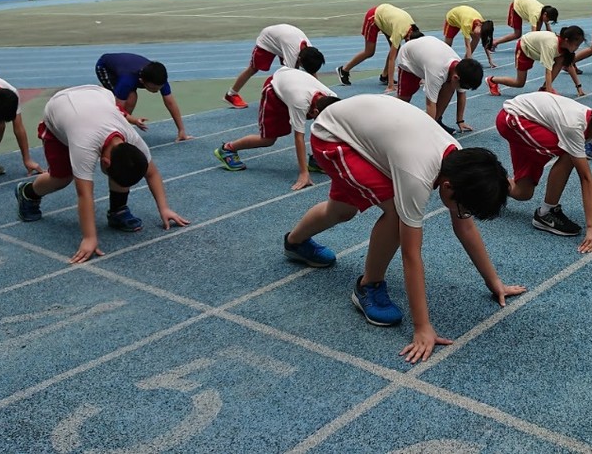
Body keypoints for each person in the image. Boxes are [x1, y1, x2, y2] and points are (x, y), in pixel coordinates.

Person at [283, 94, 525, 363]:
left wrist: (494, 283)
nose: (463, 214)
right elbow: (411, 254)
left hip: (355, 131)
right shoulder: (418, 175)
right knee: (396, 213)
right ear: (447, 187)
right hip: (332, 137)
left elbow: (465, 228)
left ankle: (295, 243)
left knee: (342, 210)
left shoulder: (458, 161)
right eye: (463, 207)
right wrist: (422, 327)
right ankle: (368, 286)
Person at [14, 85, 188, 263]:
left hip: (98, 98)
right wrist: (89, 238)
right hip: (60, 108)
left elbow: (152, 173)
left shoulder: (132, 140)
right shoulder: (84, 145)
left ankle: (117, 211)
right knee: (62, 177)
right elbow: (84, 194)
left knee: (126, 167)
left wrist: (164, 208)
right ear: (105, 162)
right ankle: (27, 193)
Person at [497, 94, 592, 253]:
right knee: (569, 152)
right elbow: (586, 178)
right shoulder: (575, 127)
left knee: (522, 192)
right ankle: (546, 213)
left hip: (526, 120)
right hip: (512, 119)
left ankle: (489, 178)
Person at [214, 67, 339, 190]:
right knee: (268, 140)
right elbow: (299, 137)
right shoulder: (300, 102)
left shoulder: (332, 98)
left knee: (324, 128)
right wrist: (303, 173)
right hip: (275, 90)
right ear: (315, 111)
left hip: (294, 83)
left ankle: (315, 159)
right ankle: (227, 149)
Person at [394, 36, 484, 133]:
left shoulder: (461, 68)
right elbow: (430, 104)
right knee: (404, 98)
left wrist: (460, 121)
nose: (462, 89)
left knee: (450, 86)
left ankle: (436, 122)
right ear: (456, 77)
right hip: (409, 59)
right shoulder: (436, 72)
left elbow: (461, 94)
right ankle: (392, 122)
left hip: (428, 53)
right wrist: (431, 134)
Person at [224, 23, 324, 109]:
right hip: (268, 39)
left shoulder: (311, 52)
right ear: (299, 59)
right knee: (253, 69)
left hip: (283, 39)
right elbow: (291, 77)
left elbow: (312, 71)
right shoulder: (293, 53)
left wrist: (319, 94)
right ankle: (231, 95)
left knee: (299, 72)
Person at [95, 53, 191, 141]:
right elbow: (118, 108)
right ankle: (112, 131)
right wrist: (133, 120)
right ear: (142, 81)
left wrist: (181, 130)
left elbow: (170, 102)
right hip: (105, 67)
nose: (156, 91)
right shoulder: (127, 80)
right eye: (153, 89)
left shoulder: (159, 79)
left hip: (125, 68)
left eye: (159, 88)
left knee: (129, 96)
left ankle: (122, 127)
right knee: (131, 97)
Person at [336, 3, 421, 91]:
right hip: (374, 17)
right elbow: (392, 58)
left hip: (387, 20)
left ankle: (385, 75)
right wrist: (390, 85)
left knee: (398, 49)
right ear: (408, 37)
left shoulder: (413, 29)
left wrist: (421, 77)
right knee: (369, 52)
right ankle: (344, 70)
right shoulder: (399, 31)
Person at [486, 27, 587, 97]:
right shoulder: (551, 45)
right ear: (566, 40)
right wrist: (549, 93)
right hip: (525, 48)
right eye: (576, 45)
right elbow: (548, 70)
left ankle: (544, 88)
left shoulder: (564, 48)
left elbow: (569, 65)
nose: (577, 48)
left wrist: (579, 87)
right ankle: (492, 80)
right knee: (519, 83)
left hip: (537, 49)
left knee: (561, 60)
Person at [490, 0, 559, 51]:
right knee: (517, 34)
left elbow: (548, 30)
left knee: (538, 32)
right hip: (517, 6)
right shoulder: (535, 14)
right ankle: (495, 42)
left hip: (525, 4)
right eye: (548, 19)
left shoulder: (544, 12)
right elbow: (533, 34)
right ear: (545, 14)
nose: (548, 21)